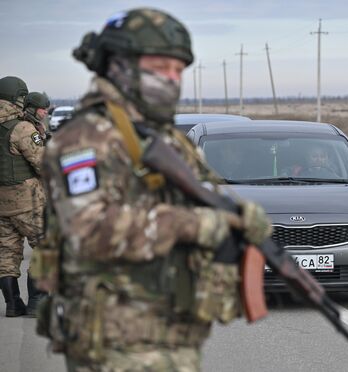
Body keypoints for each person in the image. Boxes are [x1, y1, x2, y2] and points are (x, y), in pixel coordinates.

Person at [31, 8, 272, 371]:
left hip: (166, 332)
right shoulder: (86, 138)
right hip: (115, 342)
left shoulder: (157, 136)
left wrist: (236, 221)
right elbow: (88, 230)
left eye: (179, 70)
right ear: (120, 65)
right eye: (161, 67)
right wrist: (200, 224)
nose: (173, 79)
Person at [0, 76, 46, 317]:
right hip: (27, 202)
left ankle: (13, 305)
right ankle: (37, 302)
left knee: (7, 254)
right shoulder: (22, 128)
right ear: (17, 97)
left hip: (1, 206)